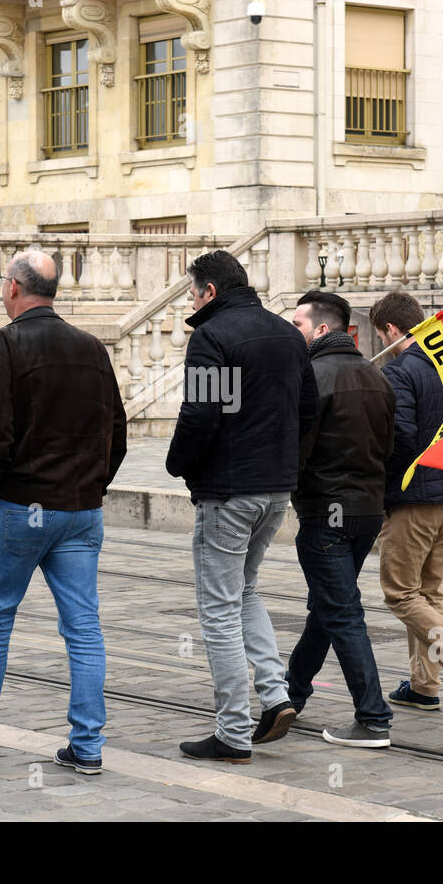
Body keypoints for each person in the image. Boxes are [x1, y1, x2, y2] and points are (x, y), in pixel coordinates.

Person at [0, 251, 127, 776]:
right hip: (81, 509)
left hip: (21, 506)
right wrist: (91, 484)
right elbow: (117, 431)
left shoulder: (1, 346)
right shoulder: (92, 349)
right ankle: (87, 745)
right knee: (83, 627)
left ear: (14, 287)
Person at [166, 250, 318, 763]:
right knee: (245, 590)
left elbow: (203, 412)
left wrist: (178, 465)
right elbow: (308, 412)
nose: (190, 300)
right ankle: (275, 696)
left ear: (210, 291)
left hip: (229, 491)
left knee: (217, 609)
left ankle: (232, 731)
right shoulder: (284, 334)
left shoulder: (214, 336)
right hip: (276, 490)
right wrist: (285, 468)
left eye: (192, 292)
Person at [370, 291, 443, 715]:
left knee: (400, 593)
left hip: (416, 495)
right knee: (427, 592)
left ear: (390, 329)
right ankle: (424, 686)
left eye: (378, 333)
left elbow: (399, 439)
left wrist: (383, 486)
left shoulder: (400, 371)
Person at [286, 291, 395, 748]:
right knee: (327, 607)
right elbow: (391, 446)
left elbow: (297, 449)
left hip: (325, 511)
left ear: (322, 330)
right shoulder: (377, 377)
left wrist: (292, 492)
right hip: (367, 510)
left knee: (342, 611)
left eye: (298, 326)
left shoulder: (311, 377)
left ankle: (373, 717)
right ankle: (291, 692)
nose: (293, 333)